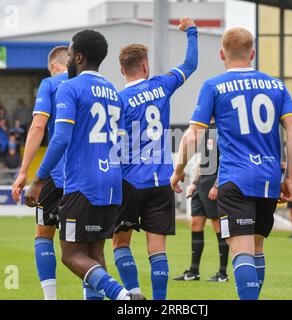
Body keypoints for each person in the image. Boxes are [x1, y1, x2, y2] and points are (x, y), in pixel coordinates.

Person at [170, 27, 292, 300]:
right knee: (256, 249)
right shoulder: (277, 85)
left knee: (241, 251)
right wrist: (289, 177)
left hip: (235, 179)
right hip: (267, 177)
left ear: (222, 54)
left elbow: (194, 134)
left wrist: (179, 169)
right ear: (252, 53)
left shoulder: (214, 86)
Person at [24, 29, 144, 300]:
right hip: (112, 184)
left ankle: (123, 296)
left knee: (71, 255)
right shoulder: (113, 92)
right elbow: (123, 143)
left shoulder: (69, 87)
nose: (66, 59)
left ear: (78, 57)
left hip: (83, 184)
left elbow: (60, 138)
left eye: (68, 53)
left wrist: (39, 178)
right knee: (95, 254)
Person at [112, 18, 198, 300]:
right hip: (162, 179)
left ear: (122, 70)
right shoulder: (162, 84)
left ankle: (134, 294)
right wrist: (192, 33)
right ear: (146, 67)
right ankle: (160, 302)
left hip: (129, 180)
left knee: (120, 242)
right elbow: (190, 65)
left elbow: (116, 142)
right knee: (157, 248)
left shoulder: (118, 99)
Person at [12, 46, 69, 300]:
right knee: (88, 246)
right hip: (92, 176)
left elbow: (38, 126)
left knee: (43, 233)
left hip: (57, 173)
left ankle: (50, 298)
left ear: (54, 65)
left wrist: (23, 172)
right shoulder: (94, 85)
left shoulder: (51, 83)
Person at [173, 123, 229, 282]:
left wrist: (217, 185)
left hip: (213, 183)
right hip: (202, 184)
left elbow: (225, 160)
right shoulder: (203, 130)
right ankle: (193, 271)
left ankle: (223, 273)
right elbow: (201, 161)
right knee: (196, 224)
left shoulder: (221, 130)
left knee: (217, 225)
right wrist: (195, 183)